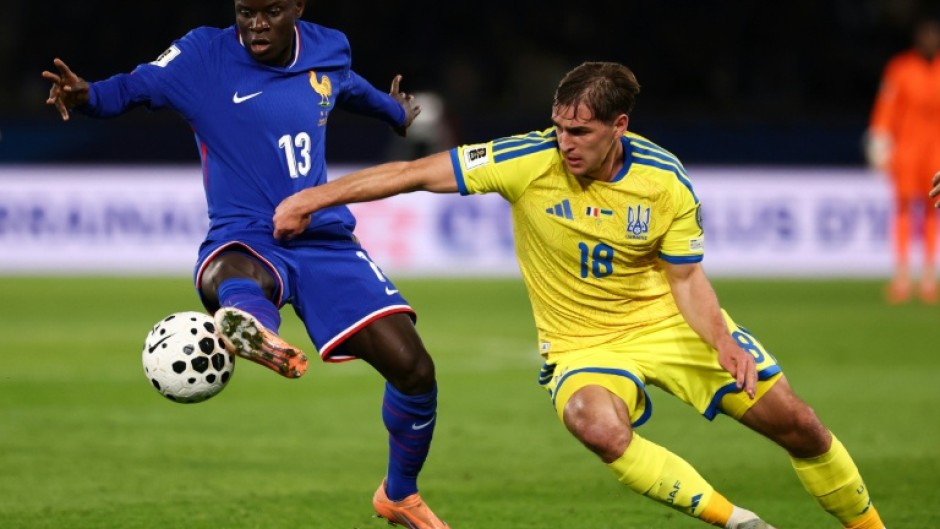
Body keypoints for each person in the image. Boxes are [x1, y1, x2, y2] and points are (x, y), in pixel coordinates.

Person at [273, 61, 890, 529]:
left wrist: (722, 339)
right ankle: (739, 521)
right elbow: (412, 173)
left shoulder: (663, 179)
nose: (564, 142)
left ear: (619, 126)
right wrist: (311, 197)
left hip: (667, 322)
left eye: (580, 132)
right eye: (560, 126)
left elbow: (686, 278)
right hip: (581, 344)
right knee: (595, 426)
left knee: (802, 428)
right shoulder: (528, 158)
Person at [42, 1, 449, 528]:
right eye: (246, 11)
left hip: (324, 237)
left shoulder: (328, 47)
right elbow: (133, 87)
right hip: (246, 232)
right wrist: (87, 94)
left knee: (415, 370)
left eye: (271, 12)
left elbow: (345, 85)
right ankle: (252, 325)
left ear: (297, 9)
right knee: (234, 273)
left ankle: (398, 494)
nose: (256, 24)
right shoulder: (201, 57)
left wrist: (395, 113)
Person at [865, 13, 940, 304]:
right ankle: (902, 277)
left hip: (936, 151)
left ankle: (929, 278)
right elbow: (886, 107)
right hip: (908, 151)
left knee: (934, 210)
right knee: (905, 210)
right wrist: (879, 139)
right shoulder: (900, 68)